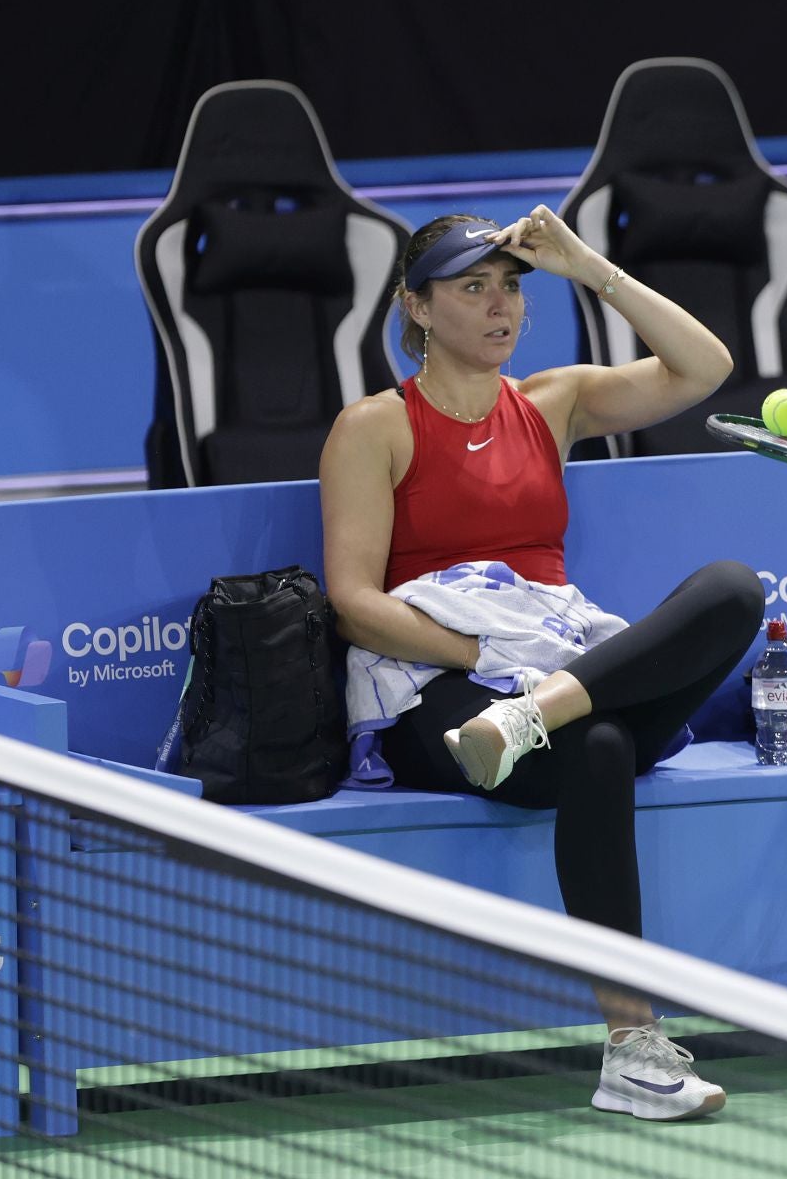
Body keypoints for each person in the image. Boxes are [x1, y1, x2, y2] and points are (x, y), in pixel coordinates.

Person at [319, 205, 764, 1122]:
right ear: (417, 307)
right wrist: (482, 655)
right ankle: (632, 1047)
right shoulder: (373, 428)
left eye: (513, 286)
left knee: (733, 590)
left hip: (543, 683)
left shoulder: (554, 403)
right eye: (472, 288)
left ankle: (540, 713)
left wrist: (587, 265)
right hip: (439, 693)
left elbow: (707, 367)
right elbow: (356, 602)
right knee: (599, 747)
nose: (500, 307)